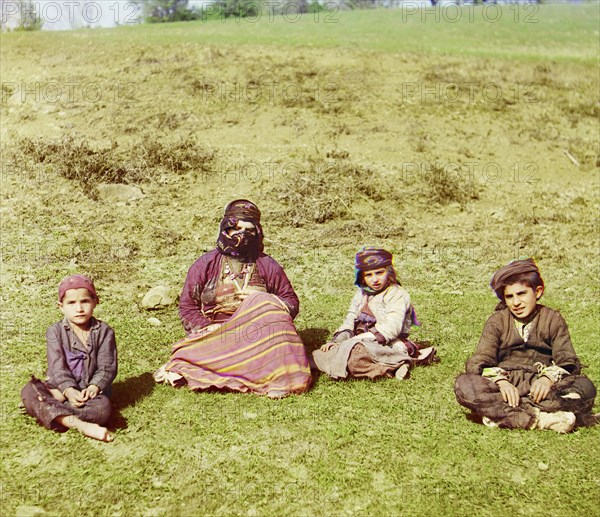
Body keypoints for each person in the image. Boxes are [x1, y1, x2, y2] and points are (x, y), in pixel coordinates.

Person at [154, 199, 311, 398]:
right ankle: (250, 368)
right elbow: (187, 306)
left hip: (257, 333)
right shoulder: (205, 264)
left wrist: (263, 298)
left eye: (248, 230)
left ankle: (270, 374)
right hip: (219, 333)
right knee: (184, 355)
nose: (242, 235)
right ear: (225, 230)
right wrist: (206, 327)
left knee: (268, 310)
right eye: (236, 229)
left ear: (257, 233)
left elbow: (291, 302)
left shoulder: (267, 264)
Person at [454, 258, 597, 433]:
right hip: (506, 384)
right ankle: (540, 419)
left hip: (540, 387)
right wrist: (501, 382)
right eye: (509, 296)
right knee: (464, 385)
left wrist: (547, 379)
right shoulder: (497, 321)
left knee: (585, 387)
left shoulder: (552, 319)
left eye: (521, 294)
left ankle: (503, 414)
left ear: (537, 291)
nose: (516, 303)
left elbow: (567, 360)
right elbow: (480, 360)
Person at [312, 247, 437, 381]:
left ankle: (394, 364)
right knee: (317, 355)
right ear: (362, 277)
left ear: (388, 272)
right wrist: (337, 341)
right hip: (358, 342)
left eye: (379, 273)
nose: (375, 280)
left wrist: (352, 342)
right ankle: (391, 365)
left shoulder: (397, 294)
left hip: (386, 343)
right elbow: (351, 319)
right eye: (369, 275)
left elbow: (390, 329)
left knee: (355, 357)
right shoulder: (361, 294)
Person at [20, 275, 117, 442]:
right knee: (29, 389)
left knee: (103, 410)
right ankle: (82, 425)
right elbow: (57, 368)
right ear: (61, 307)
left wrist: (94, 387)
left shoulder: (104, 331)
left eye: (85, 301)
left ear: (95, 301)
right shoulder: (55, 332)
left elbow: (107, 367)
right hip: (60, 388)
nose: (79, 308)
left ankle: (45, 408)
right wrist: (69, 390)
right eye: (71, 303)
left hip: (89, 395)